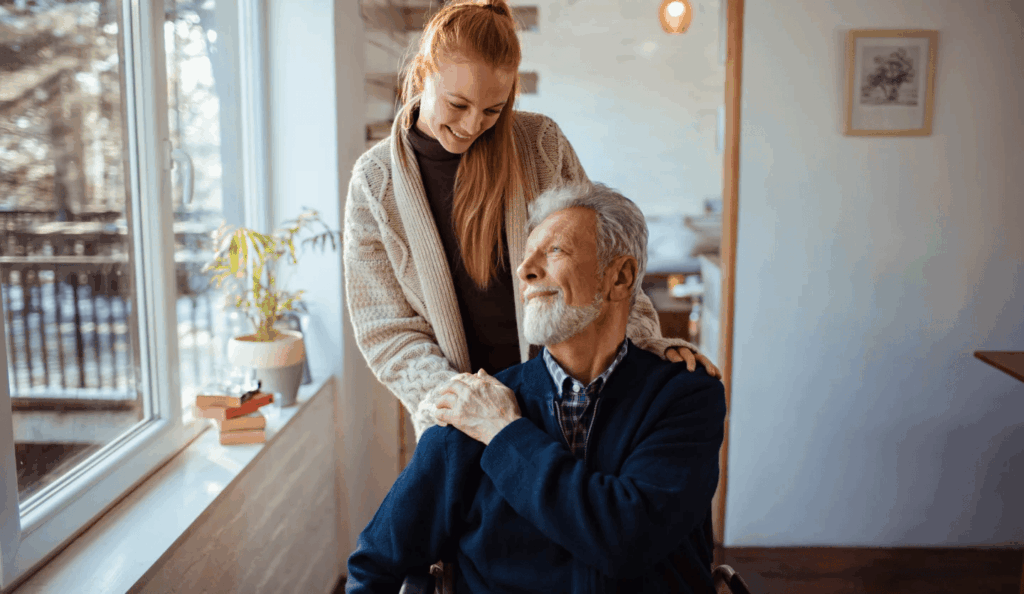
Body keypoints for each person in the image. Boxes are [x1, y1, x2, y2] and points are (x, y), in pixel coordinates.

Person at [343, 0, 719, 439]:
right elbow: (386, 330)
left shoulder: (541, 144)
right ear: (423, 73)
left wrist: (646, 347)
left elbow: (600, 258)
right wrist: (464, 402)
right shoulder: (374, 184)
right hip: (461, 426)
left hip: (574, 404)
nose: (472, 126)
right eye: (458, 104)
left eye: (492, 110)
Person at [346, 183, 726, 594]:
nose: (524, 270)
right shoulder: (471, 412)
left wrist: (505, 434)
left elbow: (628, 539)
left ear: (620, 277)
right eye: (526, 256)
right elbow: (374, 565)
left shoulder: (685, 397)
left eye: (555, 251)